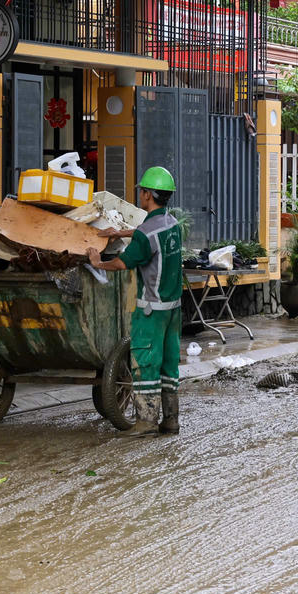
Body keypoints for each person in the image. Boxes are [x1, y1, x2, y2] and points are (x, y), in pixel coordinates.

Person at [87, 166, 183, 437]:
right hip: (174, 309)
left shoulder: (145, 234)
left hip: (151, 311)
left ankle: (146, 422)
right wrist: (121, 233)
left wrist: (98, 262)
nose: (140, 195)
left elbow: (122, 263)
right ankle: (171, 420)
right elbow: (150, 234)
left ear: (148, 196)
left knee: (145, 362)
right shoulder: (172, 224)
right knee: (168, 364)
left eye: (142, 191)